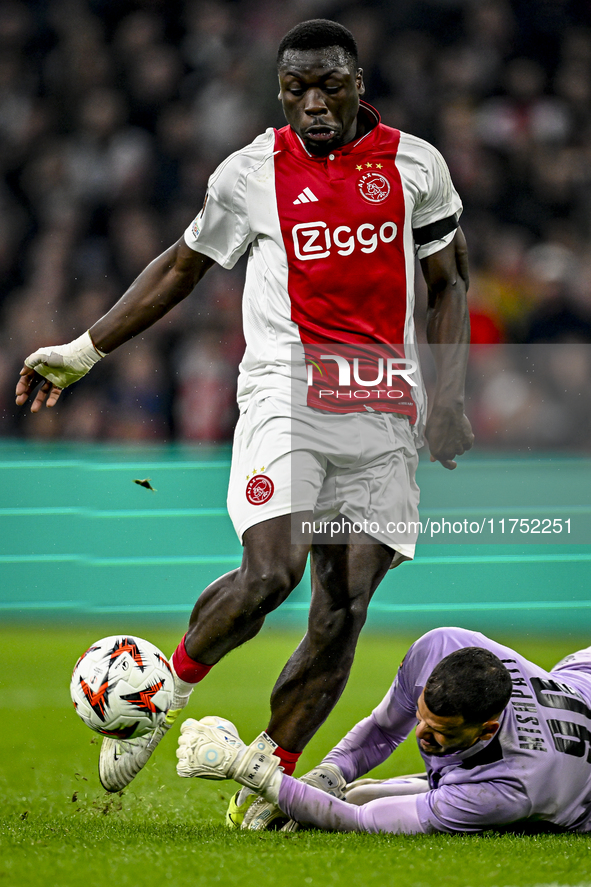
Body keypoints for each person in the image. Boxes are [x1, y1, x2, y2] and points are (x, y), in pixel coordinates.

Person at [14, 19, 473, 810]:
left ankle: (269, 770)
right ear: (281, 91)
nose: (313, 104)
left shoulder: (415, 165)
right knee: (272, 571)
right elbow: (183, 264)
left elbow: (450, 281)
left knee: (343, 605)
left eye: (329, 85)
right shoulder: (250, 172)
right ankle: (163, 698)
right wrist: (86, 349)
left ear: (358, 83)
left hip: (382, 407)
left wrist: (448, 395)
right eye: (296, 89)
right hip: (284, 393)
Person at [176, 626, 591, 834]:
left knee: (362, 801)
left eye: (442, 731)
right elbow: (382, 730)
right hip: (583, 676)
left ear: (488, 729)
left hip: (570, 790)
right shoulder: (441, 645)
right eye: (422, 716)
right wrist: (328, 775)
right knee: (353, 788)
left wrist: (248, 767)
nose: (422, 735)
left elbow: (359, 820)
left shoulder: (509, 790)